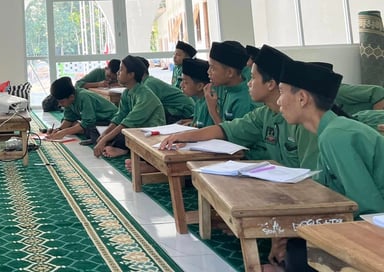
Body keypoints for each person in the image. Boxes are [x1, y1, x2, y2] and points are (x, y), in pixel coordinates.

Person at [274, 59, 384, 272]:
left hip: (375, 226)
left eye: (281, 92)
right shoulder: (329, 132)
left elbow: (369, 209)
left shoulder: (337, 136)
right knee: (296, 246)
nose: (278, 101)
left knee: (300, 254)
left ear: (302, 98)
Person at [160, 45, 318, 169]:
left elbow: (312, 177)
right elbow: (226, 129)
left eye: (253, 78)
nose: (248, 83)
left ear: (270, 84)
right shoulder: (264, 114)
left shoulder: (302, 121)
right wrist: (184, 136)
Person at [92, 56, 165, 159]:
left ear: (131, 75)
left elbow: (127, 123)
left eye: (121, 70)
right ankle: (118, 147)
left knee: (124, 135)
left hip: (150, 133)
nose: (117, 73)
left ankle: (121, 149)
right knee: (97, 130)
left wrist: (104, 139)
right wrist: (104, 135)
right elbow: (119, 117)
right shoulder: (127, 92)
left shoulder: (145, 96)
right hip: (133, 128)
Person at [48, 76, 118, 145]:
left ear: (71, 97)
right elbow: (69, 119)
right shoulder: (69, 100)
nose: (60, 104)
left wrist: (64, 132)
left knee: (89, 128)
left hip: (111, 121)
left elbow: (88, 123)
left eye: (62, 102)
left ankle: (100, 137)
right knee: (72, 125)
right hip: (98, 121)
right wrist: (59, 130)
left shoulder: (84, 97)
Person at [206, 40, 254, 124]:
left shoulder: (244, 101)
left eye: (213, 68)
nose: (208, 72)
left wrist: (212, 111)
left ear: (229, 73)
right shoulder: (228, 89)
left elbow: (232, 132)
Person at [136, 57, 194, 123]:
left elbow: (145, 108)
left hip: (183, 109)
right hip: (175, 108)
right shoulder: (144, 83)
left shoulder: (149, 84)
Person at [179, 57, 213, 128]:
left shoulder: (208, 104)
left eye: (186, 82)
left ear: (199, 86)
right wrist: (191, 123)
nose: (181, 85)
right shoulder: (199, 101)